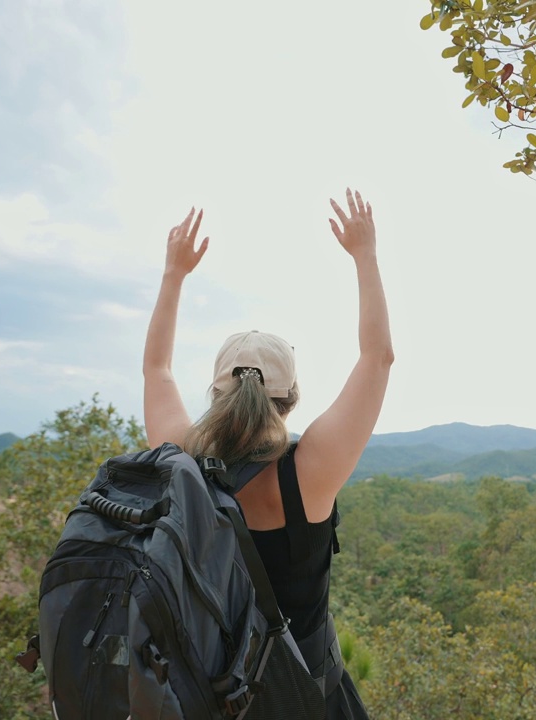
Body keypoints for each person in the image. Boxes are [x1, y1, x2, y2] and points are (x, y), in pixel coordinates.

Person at [142, 189, 392, 719]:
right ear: (291, 398)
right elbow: (378, 357)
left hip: (214, 703)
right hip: (309, 700)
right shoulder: (311, 474)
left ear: (215, 392)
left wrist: (174, 273)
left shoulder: (180, 462)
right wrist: (364, 254)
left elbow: (157, 371)